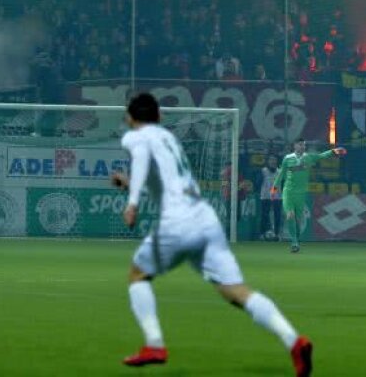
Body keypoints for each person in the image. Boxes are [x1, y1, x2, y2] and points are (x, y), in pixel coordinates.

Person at [110, 93, 312, 375]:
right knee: (237, 292)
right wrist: (130, 184)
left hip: (177, 222)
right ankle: (294, 341)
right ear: (161, 116)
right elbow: (165, 181)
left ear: (131, 118)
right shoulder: (169, 139)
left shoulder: (135, 137)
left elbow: (142, 159)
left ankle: (154, 344)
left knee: (138, 275)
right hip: (205, 219)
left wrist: (132, 203)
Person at [271, 138, 347, 253]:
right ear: (295, 146)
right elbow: (281, 174)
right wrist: (274, 188)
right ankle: (294, 242)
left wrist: (334, 151)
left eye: (304, 145)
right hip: (288, 191)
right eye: (300, 145)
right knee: (290, 215)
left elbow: (322, 156)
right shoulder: (287, 158)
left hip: (301, 193)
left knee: (298, 219)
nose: (302, 147)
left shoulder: (309, 157)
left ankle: (295, 238)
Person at [259, 154, 283, 241]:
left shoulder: (280, 172)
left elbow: (283, 184)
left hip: (277, 197)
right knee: (264, 216)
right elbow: (258, 182)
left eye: (274, 160)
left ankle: (277, 234)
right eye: (271, 160)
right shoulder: (263, 171)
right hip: (265, 196)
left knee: (277, 216)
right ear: (268, 161)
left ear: (277, 161)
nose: (273, 161)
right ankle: (262, 234)